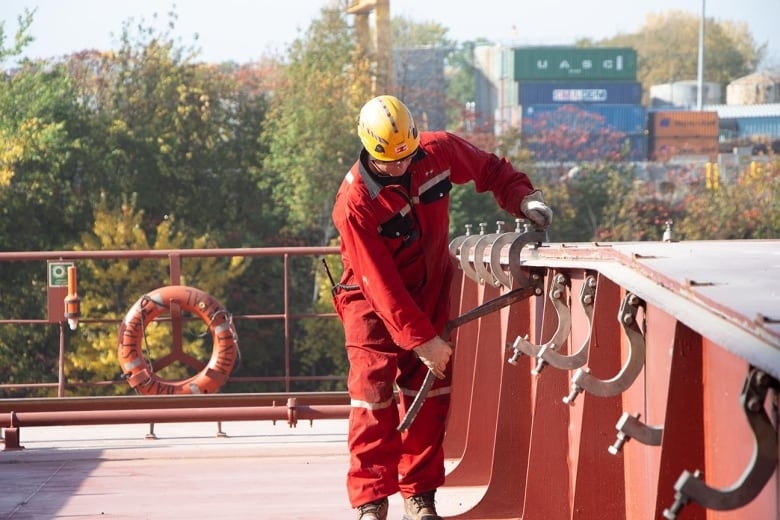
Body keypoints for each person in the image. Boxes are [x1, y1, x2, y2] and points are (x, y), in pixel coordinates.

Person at [330, 95, 552, 520]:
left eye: (406, 158)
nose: (401, 168)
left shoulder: (437, 153)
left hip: (430, 289)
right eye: (390, 164)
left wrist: (523, 198)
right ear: (368, 149)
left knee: (429, 395)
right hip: (369, 302)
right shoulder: (355, 203)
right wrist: (421, 339)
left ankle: (419, 497)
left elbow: (491, 170)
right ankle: (371, 501)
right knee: (372, 395)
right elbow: (380, 283)